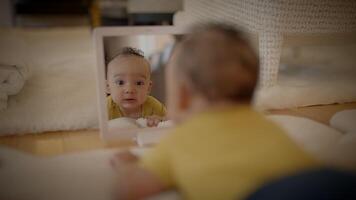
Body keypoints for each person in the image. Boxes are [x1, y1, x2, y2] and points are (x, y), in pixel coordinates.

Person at [111, 23, 320, 200]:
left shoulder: (179, 141)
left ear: (182, 96)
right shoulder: (273, 127)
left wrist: (128, 166)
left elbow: (127, 189)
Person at [106, 47, 166, 127]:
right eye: (120, 82)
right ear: (107, 87)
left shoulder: (153, 106)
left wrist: (160, 119)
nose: (129, 90)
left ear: (148, 88)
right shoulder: (105, 108)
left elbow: (170, 122)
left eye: (138, 83)